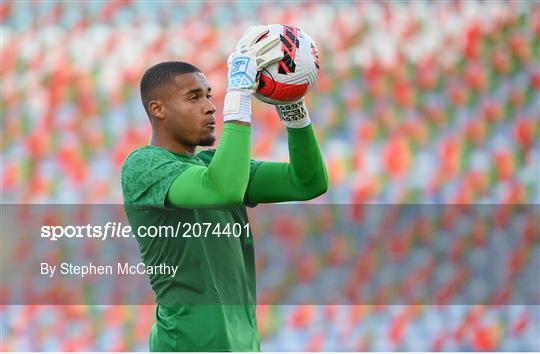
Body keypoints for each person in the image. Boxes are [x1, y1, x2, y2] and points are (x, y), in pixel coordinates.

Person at [121, 26, 328, 351]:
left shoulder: (212, 163)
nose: (210, 106)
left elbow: (307, 182)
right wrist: (240, 97)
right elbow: (223, 189)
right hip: (188, 344)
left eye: (209, 95)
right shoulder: (143, 166)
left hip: (243, 343)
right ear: (157, 109)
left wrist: (293, 109)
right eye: (193, 97)